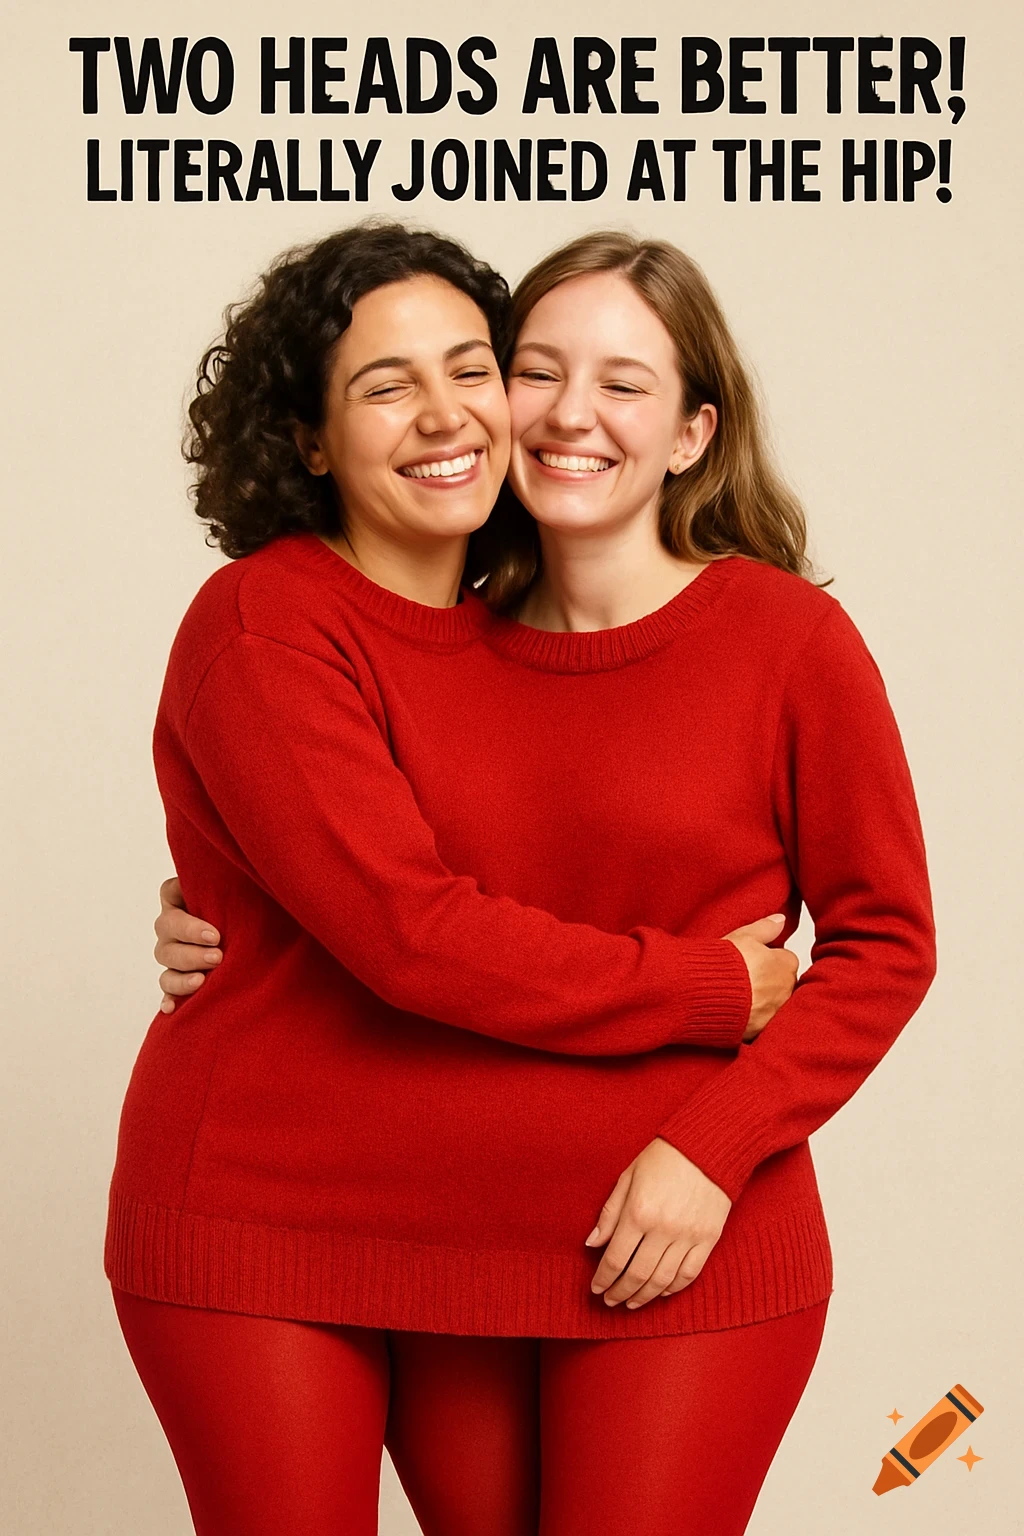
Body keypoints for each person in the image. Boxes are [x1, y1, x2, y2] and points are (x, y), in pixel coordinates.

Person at [109, 221, 936, 1535]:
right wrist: (713, 985)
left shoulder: (784, 640)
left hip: (672, 1225)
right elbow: (412, 927)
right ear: (312, 436)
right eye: (538, 369)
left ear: (695, 433)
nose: (554, 412)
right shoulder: (411, 630)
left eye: (476, 370)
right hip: (430, 1239)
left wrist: (717, 1145)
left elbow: (886, 942)